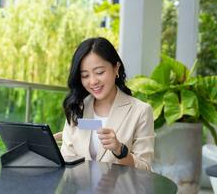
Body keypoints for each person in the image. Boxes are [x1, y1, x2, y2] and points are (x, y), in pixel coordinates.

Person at [60, 37, 154, 170]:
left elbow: (145, 168)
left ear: (116, 68)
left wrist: (120, 150)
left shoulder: (140, 112)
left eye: (99, 72)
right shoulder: (77, 108)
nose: (93, 81)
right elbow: (66, 157)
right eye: (85, 75)